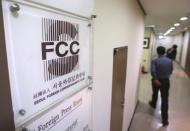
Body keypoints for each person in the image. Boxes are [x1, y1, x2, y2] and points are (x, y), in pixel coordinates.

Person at [149, 46, 173, 126]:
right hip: (166, 81)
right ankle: (165, 120)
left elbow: (152, 70)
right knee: (165, 99)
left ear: (157, 52)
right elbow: (171, 70)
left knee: (155, 93)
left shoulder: (154, 61)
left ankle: (153, 103)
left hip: (156, 81)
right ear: (165, 52)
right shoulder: (170, 61)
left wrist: (156, 79)